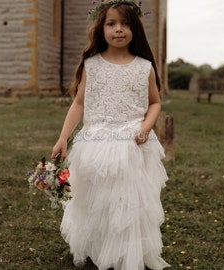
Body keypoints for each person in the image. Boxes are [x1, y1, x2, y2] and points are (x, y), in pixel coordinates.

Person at [51, 1, 170, 269]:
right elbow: (79, 104)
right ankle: (100, 246)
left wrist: (146, 127)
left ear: (135, 29)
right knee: (97, 200)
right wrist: (63, 137)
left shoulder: (144, 67)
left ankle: (127, 252)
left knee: (128, 202)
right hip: (96, 142)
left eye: (125, 24)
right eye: (112, 24)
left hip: (131, 143)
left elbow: (154, 103)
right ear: (101, 29)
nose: (119, 29)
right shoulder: (91, 65)